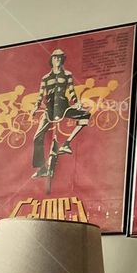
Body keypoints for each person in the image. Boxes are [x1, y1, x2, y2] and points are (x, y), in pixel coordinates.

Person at [32, 48, 90, 177]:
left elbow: (71, 91)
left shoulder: (68, 75)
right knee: (37, 138)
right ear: (51, 60)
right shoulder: (45, 78)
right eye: (55, 57)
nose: (57, 59)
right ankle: (42, 168)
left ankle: (66, 143)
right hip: (49, 111)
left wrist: (77, 102)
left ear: (62, 60)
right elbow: (41, 95)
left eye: (59, 57)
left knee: (85, 115)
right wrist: (36, 107)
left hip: (64, 107)